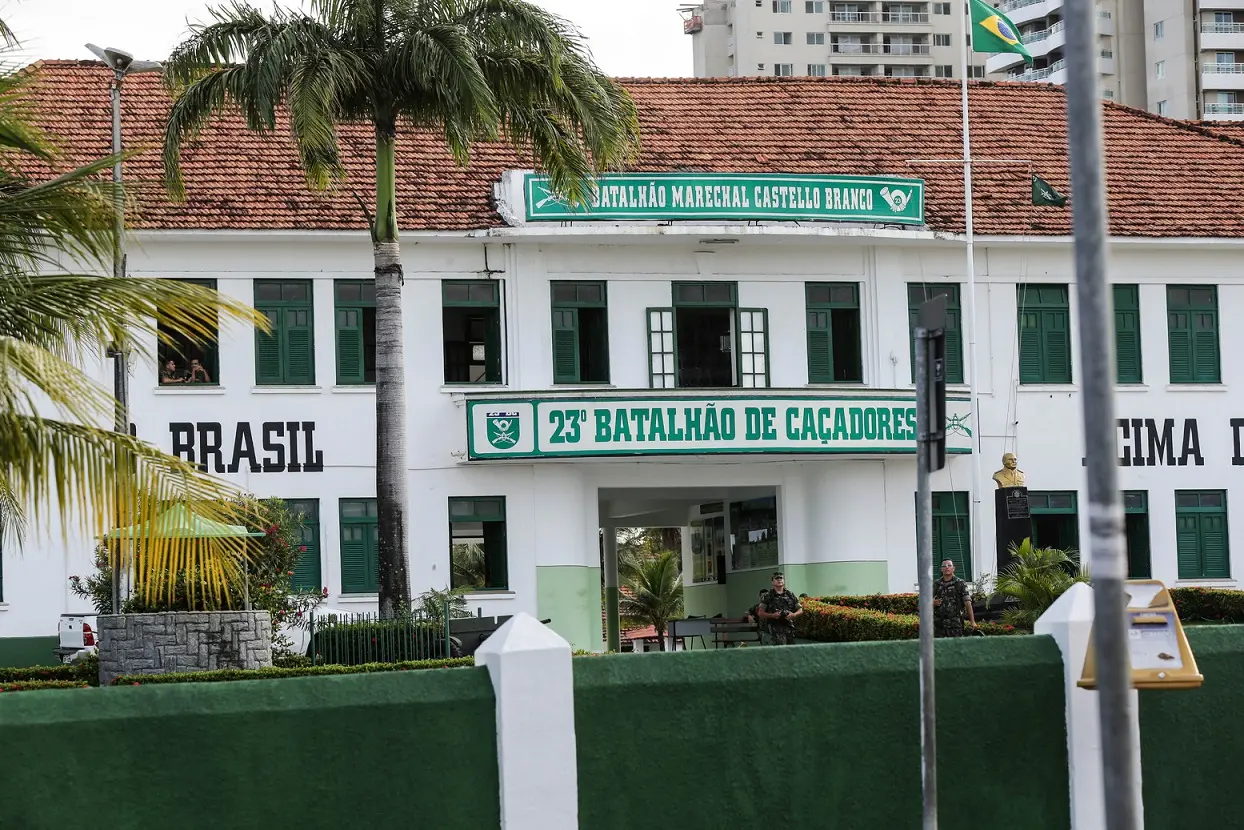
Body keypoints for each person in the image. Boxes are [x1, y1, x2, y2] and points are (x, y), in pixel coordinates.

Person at [933, 559, 976, 638]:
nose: (947, 568)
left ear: (953, 568)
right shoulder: (937, 584)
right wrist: (932, 603)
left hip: (955, 625)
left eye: (949, 565)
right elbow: (925, 602)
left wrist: (972, 621)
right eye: (944, 566)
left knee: (956, 648)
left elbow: (967, 603)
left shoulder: (960, 583)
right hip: (939, 625)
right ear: (941, 569)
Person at [757, 571, 803, 646]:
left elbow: (800, 610)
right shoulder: (767, 596)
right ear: (772, 582)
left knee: (791, 651)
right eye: (777, 578)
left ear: (784, 580)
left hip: (789, 628)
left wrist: (794, 615)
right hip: (774, 629)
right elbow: (760, 613)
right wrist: (772, 615)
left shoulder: (790, 594)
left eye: (781, 578)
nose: (779, 580)